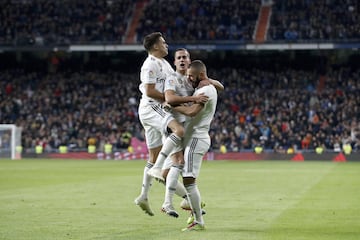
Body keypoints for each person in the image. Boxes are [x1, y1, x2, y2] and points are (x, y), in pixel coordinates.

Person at [134, 33, 207, 216]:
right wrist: (174, 100)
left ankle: (143, 196)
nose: (166, 45)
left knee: (154, 156)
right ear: (156, 47)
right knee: (178, 130)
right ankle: (172, 191)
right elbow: (150, 91)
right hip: (152, 108)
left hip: (154, 109)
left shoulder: (164, 64)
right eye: (163, 43)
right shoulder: (150, 64)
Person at [166, 60, 218, 231]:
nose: (188, 79)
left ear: (201, 75)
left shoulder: (205, 90)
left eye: (191, 76)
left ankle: (198, 219)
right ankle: (195, 215)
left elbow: (191, 112)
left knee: (188, 179)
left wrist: (172, 107)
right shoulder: (203, 88)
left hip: (196, 138)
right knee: (179, 176)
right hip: (194, 138)